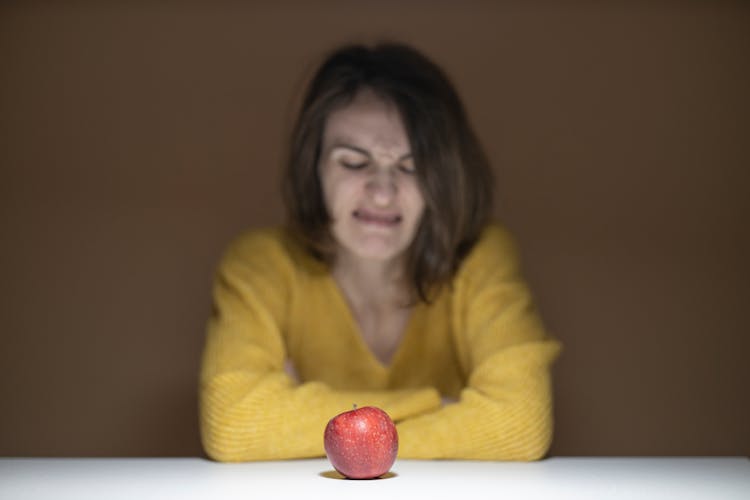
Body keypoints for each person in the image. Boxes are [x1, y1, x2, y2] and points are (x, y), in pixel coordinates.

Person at [199, 42, 561, 462]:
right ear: (312, 167)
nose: (383, 193)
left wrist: (299, 416)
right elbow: (235, 424)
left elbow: (519, 426)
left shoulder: (482, 255)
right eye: (354, 162)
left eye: (411, 167)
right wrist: (442, 406)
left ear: (441, 179)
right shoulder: (260, 263)